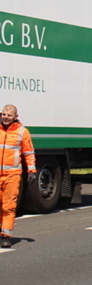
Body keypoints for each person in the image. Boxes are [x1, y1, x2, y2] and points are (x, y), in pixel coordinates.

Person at [0, 105, 36, 247]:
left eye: (9, 115)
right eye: (3, 114)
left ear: (15, 116)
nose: (5, 117)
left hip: (12, 176)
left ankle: (5, 236)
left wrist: (32, 171)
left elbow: (28, 152)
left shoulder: (22, 132)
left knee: (9, 206)